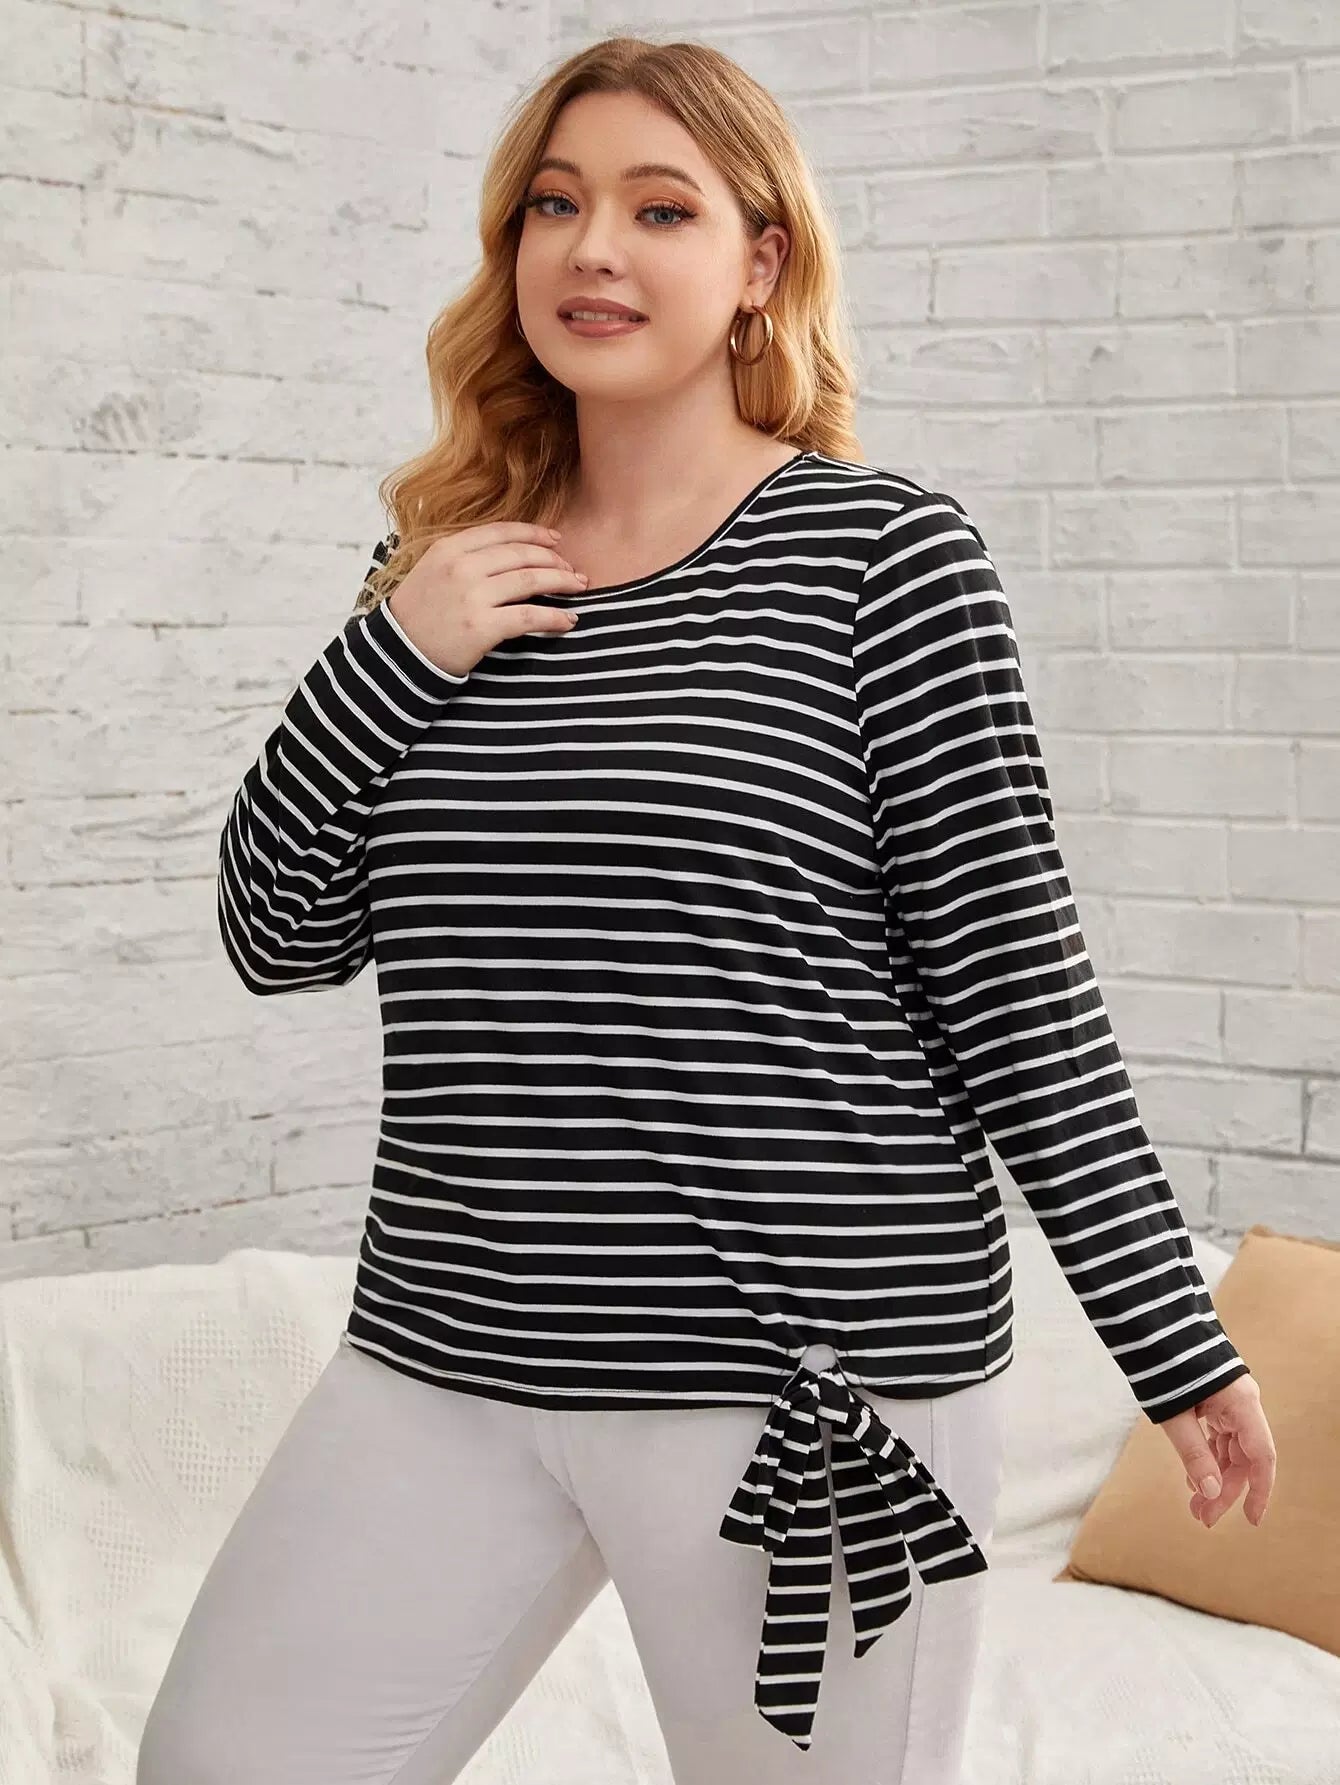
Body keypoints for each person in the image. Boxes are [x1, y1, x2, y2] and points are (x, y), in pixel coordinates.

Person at [137, 33, 1276, 1785]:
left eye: (660, 209)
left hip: (804, 1383)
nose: (594, 247)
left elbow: (1017, 990)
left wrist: (1170, 1339)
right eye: (555, 204)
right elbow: (274, 931)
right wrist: (395, 649)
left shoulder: (881, 560)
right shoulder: (444, 579)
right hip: (455, 1345)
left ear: (760, 263)